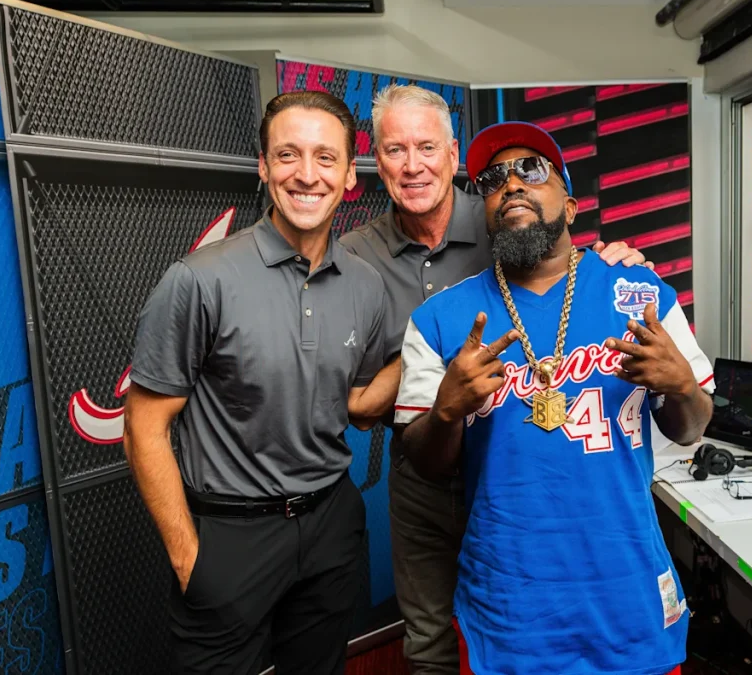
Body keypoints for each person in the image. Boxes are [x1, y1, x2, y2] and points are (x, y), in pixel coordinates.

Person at [339, 84, 652, 673]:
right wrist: (436, 354)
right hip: (425, 474)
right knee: (430, 641)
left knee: (528, 626)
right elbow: (356, 405)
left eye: (426, 147)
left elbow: (567, 264)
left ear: (453, 155)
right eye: (395, 150)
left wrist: (621, 261)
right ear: (375, 160)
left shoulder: (502, 208)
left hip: (517, 462)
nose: (413, 165)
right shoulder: (352, 255)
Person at [393, 121, 716, 674]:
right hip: (509, 609)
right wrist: (446, 411)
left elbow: (691, 429)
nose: (512, 184)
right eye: (493, 179)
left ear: (570, 206)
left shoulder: (641, 295)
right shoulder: (440, 318)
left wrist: (681, 385)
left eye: (532, 170)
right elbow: (425, 463)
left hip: (628, 599)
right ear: (485, 211)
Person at [123, 91, 400, 675]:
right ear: (264, 167)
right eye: (288, 155)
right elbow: (143, 429)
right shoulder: (199, 279)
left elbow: (356, 406)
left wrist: (427, 351)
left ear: (351, 175)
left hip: (330, 524)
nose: (307, 175)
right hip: (231, 535)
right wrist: (188, 558)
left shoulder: (366, 286)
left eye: (326, 157)